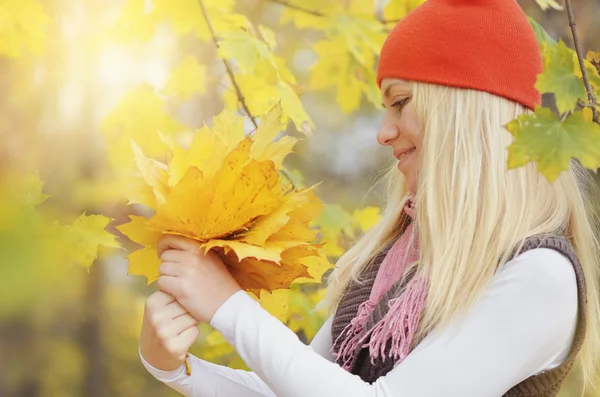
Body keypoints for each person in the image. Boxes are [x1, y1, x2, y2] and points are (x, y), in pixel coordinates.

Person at [138, 0, 600, 396]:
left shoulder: (541, 275)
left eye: (400, 102)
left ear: (464, 109)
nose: (383, 133)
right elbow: (296, 386)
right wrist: (176, 369)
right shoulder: (402, 256)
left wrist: (227, 305)